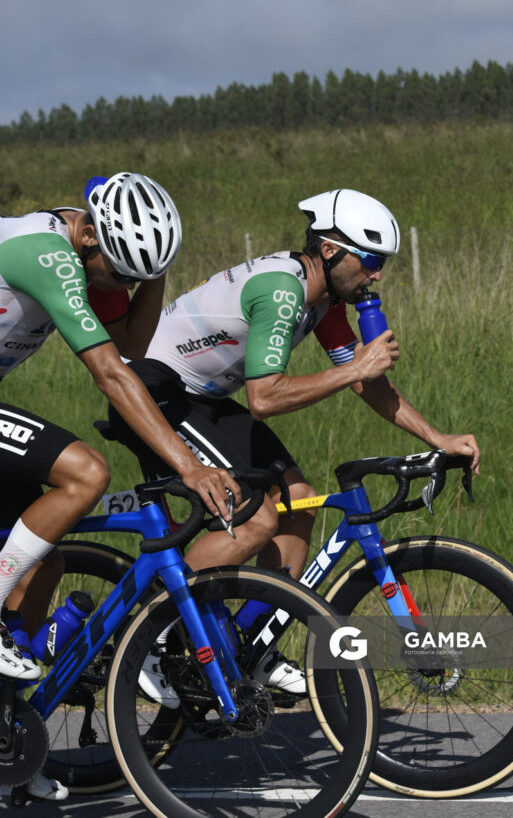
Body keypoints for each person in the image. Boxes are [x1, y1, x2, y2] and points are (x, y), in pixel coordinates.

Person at [107, 188, 481, 703]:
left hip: (203, 397)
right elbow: (264, 398)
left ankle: (251, 645)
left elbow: (365, 382)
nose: (377, 276)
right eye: (371, 261)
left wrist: (438, 437)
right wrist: (355, 368)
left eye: (383, 264)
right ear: (330, 250)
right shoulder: (282, 290)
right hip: (151, 392)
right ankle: (149, 638)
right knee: (255, 519)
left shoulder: (324, 300)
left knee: (298, 500)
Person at [0, 172, 255, 801]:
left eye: (137, 279)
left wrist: (152, 275)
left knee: (43, 562)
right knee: (86, 472)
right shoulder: (46, 252)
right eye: (119, 275)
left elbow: (131, 348)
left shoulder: (94, 253)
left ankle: (8, 740)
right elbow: (112, 374)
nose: (122, 289)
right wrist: (190, 466)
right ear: (88, 235)